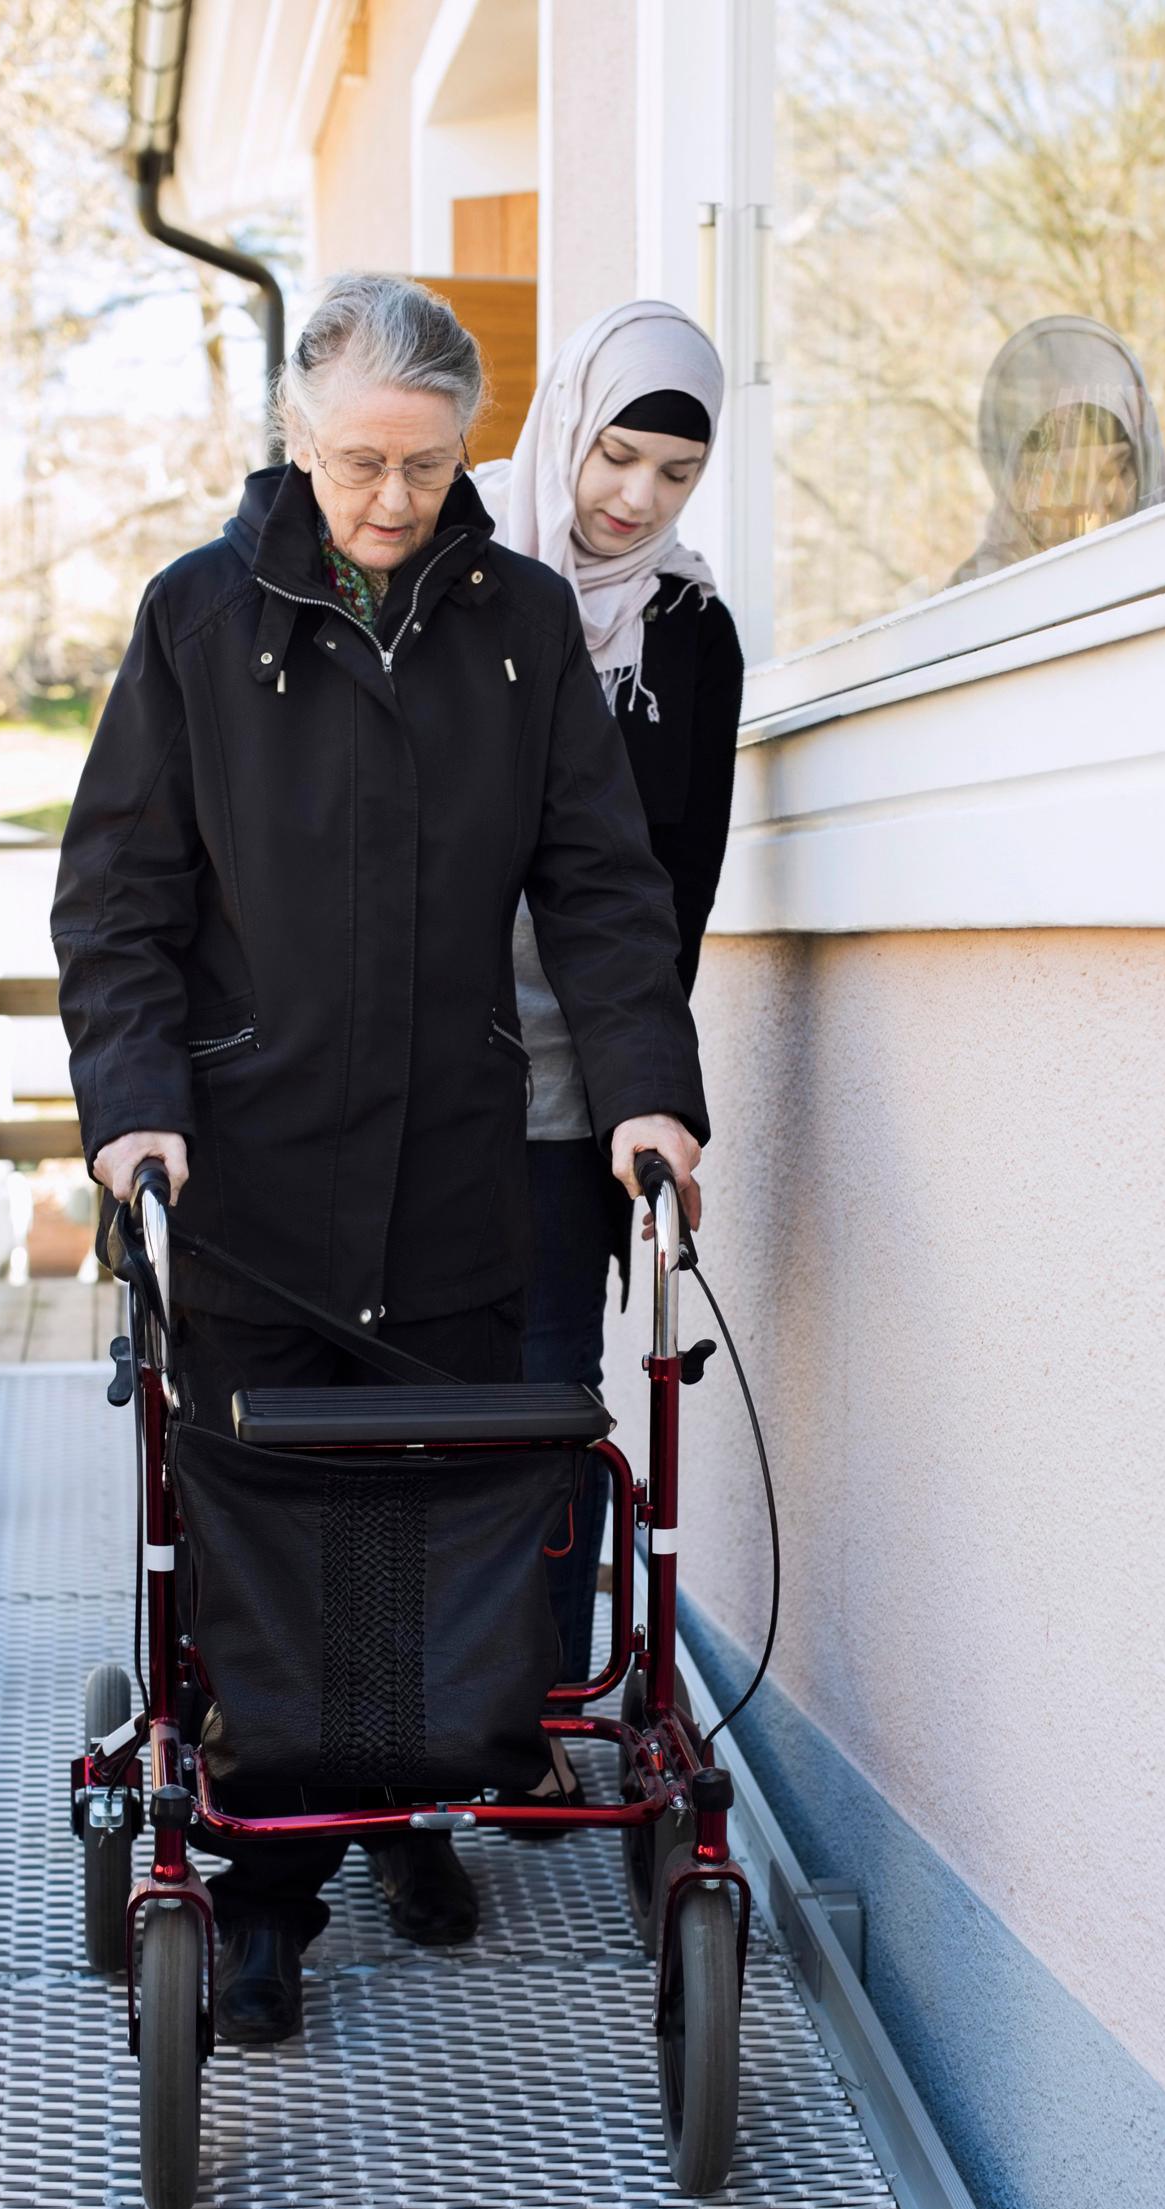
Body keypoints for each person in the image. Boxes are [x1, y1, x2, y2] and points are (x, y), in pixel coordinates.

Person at [51, 273, 709, 2045]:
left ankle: (397, 1814)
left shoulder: (516, 631)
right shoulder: (194, 622)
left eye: (426, 466)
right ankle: (267, 1898)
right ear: (291, 436)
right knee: (262, 1530)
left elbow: (596, 882)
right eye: (359, 462)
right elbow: (117, 904)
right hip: (249, 1181)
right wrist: (131, 1111)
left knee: (432, 1517)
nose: (393, 501)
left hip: (449, 1175)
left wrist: (648, 1087)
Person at [476, 301, 744, 1707]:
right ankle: (379, 1726)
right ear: (569, 426)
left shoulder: (691, 633)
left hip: (571, 1083)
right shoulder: (452, 573)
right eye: (616, 455)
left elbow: (672, 894)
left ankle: (519, 1716)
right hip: (412, 1071)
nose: (633, 499)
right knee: (398, 1405)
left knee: (546, 1400)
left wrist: (643, 1091)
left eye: (676, 476)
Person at [949, 313, 1165, 586]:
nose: (1098, 500)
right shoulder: (971, 604)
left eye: (1114, 469)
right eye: (1069, 479)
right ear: (1017, 486)